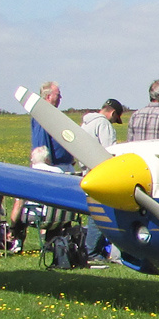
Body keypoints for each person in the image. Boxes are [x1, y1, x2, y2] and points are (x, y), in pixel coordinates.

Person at [80, 98, 124, 265]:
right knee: (100, 213)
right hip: (100, 172)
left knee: (92, 212)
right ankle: (93, 251)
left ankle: (92, 249)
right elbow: (109, 151)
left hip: (86, 171)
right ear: (112, 113)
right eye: (115, 118)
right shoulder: (104, 125)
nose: (114, 121)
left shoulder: (86, 123)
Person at [30, 81, 74, 172]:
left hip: (64, 166)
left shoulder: (53, 115)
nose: (60, 97)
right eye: (58, 95)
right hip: (55, 169)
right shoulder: (42, 116)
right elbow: (41, 148)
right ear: (48, 96)